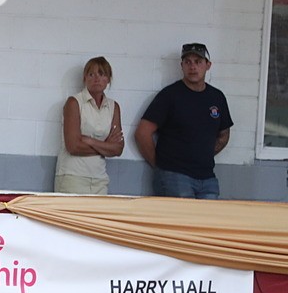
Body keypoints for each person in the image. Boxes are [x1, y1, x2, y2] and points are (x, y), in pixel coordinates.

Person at [135, 43, 232, 199]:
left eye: (198, 62)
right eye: (188, 62)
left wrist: (204, 154)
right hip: (174, 176)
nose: (192, 66)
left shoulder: (217, 97)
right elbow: (142, 133)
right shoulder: (169, 95)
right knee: (182, 222)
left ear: (208, 65)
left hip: (207, 177)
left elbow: (224, 133)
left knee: (207, 222)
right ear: (182, 66)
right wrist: (160, 166)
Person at [53, 57, 124, 194]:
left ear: (108, 79)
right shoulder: (74, 102)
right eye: (91, 74)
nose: (96, 78)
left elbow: (118, 148)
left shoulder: (113, 107)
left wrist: (90, 140)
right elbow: (73, 146)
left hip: (100, 178)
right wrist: (105, 146)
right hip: (72, 177)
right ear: (85, 79)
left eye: (101, 74)